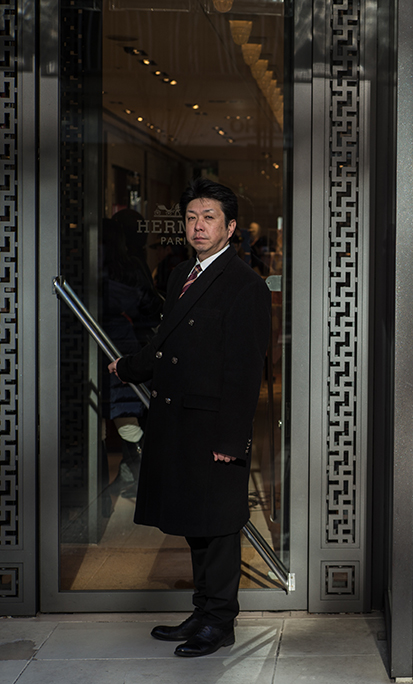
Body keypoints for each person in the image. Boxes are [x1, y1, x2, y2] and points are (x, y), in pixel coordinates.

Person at [107, 178, 271, 657]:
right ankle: (202, 613)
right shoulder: (182, 273)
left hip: (214, 425)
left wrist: (231, 439)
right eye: (192, 218)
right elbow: (165, 342)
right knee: (195, 523)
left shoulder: (246, 285)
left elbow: (245, 371)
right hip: (178, 419)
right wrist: (129, 367)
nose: (199, 226)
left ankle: (220, 622)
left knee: (218, 526)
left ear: (230, 227)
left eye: (209, 218)